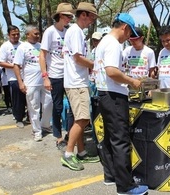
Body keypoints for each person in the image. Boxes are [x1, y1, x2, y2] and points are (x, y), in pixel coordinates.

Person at [93, 13, 149, 195]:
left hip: (103, 94)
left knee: (110, 138)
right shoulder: (113, 44)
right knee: (121, 141)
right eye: (129, 33)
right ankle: (125, 186)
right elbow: (112, 72)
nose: (129, 37)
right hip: (114, 97)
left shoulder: (102, 42)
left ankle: (111, 175)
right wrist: (132, 81)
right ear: (124, 27)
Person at [61, 2, 100, 171]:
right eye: (92, 16)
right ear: (83, 15)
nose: (92, 20)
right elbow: (78, 58)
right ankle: (68, 154)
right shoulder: (76, 31)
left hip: (76, 81)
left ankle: (81, 152)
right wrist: (96, 65)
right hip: (76, 83)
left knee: (79, 118)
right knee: (83, 119)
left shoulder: (75, 32)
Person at [39, 2, 74, 149]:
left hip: (69, 75)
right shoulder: (50, 32)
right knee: (58, 107)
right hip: (55, 75)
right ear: (60, 16)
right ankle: (58, 136)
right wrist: (45, 77)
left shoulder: (69, 31)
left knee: (73, 107)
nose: (69, 19)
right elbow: (42, 55)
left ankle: (71, 134)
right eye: (67, 16)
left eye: (71, 16)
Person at [13, 25, 53, 142]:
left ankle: (45, 125)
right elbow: (16, 66)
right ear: (28, 35)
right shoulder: (22, 47)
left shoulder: (42, 46)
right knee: (34, 107)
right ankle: (37, 131)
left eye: (38, 34)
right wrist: (20, 82)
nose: (37, 36)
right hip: (31, 83)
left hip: (44, 81)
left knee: (48, 103)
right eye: (35, 34)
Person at [0, 25, 26, 128]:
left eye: (18, 34)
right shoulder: (5, 46)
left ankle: (30, 116)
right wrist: (15, 66)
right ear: (8, 35)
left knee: (28, 98)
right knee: (17, 99)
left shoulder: (24, 44)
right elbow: (1, 62)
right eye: (13, 34)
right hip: (13, 78)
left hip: (27, 76)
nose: (16, 36)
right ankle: (19, 118)